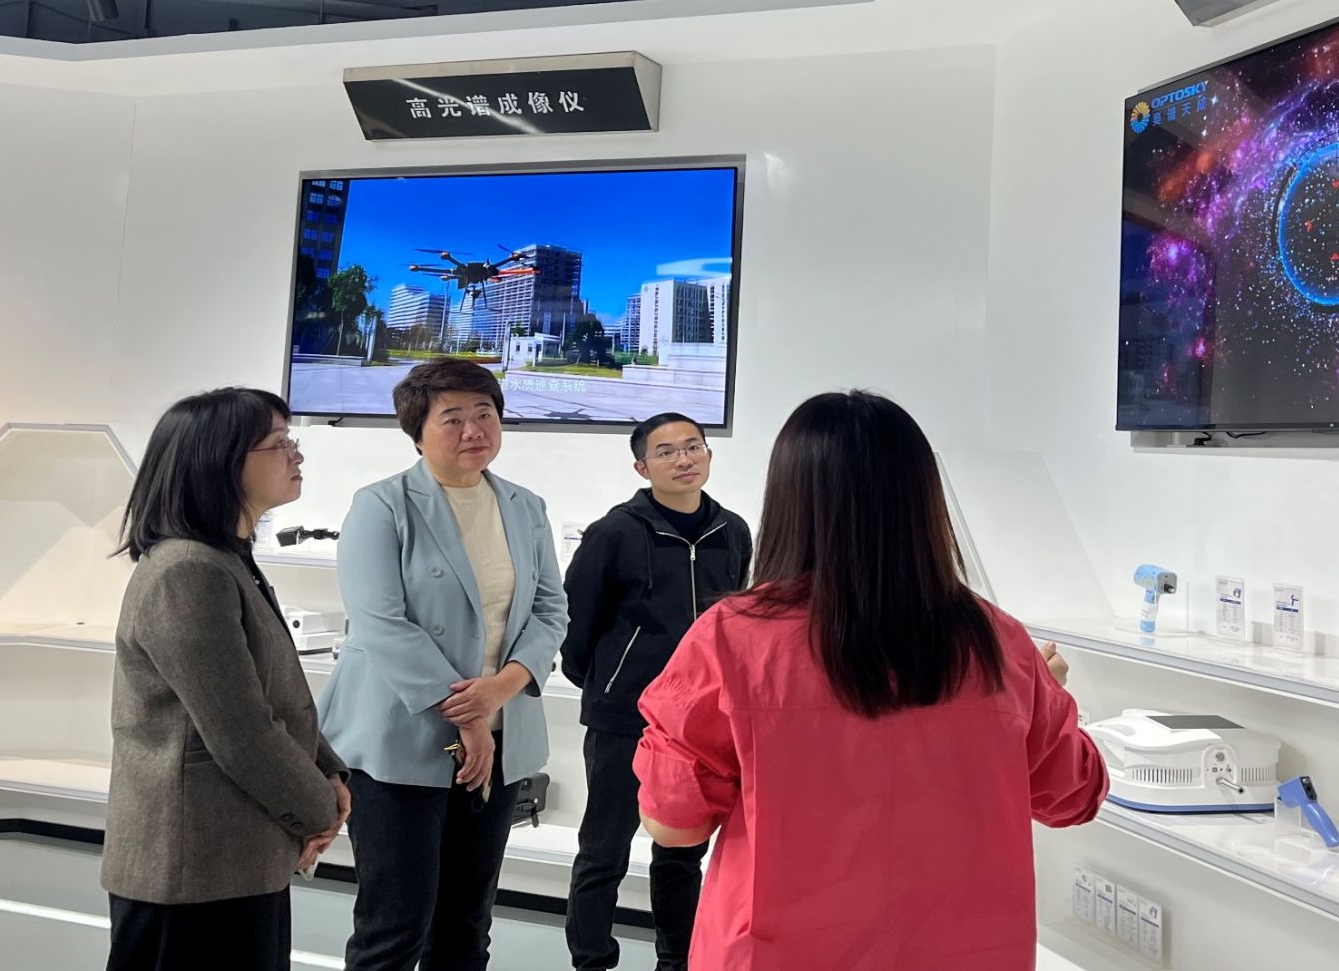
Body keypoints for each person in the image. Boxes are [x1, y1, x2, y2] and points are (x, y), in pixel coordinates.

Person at [633, 390, 1107, 971]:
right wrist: (1050, 693)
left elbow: (673, 825)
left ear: (788, 499)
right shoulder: (999, 642)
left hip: (778, 953)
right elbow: (1073, 797)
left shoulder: (730, 638)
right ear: (922, 497)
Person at [318, 358, 568, 971]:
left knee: (466, 923)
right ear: (417, 431)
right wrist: (470, 715)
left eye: (485, 413)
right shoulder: (382, 504)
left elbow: (550, 610)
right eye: (452, 417)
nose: (473, 429)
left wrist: (500, 691)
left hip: (501, 736)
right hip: (400, 737)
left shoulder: (525, 506)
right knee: (395, 925)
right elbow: (380, 622)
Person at [101, 387, 349, 971]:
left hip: (237, 857)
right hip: (193, 868)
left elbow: (278, 699)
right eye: (279, 442)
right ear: (222, 462)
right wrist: (320, 808)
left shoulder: (226, 560)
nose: (296, 454)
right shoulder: (188, 571)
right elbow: (241, 730)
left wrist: (330, 773)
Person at [562, 412, 753, 971]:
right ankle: (592, 960)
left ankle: (677, 961)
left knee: (682, 853)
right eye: (666, 452)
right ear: (642, 468)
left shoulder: (732, 531)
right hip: (625, 716)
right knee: (604, 850)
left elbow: (734, 621)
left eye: (693, 447)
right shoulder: (614, 532)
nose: (684, 459)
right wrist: (608, 684)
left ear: (709, 456)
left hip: (698, 724)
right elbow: (578, 623)